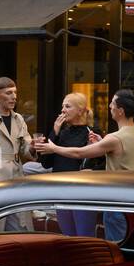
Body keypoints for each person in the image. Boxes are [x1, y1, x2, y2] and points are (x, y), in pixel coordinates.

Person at [33, 89, 134, 241]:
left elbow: (79, 153)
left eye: (112, 103)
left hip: (115, 201)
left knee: (106, 245)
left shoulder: (114, 137)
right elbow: (120, 155)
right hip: (133, 199)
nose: (109, 107)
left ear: (120, 111)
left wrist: (54, 148)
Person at [38, 93, 98, 236]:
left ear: (80, 110)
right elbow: (46, 163)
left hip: (81, 192)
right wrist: (55, 132)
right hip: (61, 190)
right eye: (62, 106)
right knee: (68, 236)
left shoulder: (92, 133)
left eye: (68, 106)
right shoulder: (61, 133)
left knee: (84, 237)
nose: (63, 110)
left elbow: (97, 164)